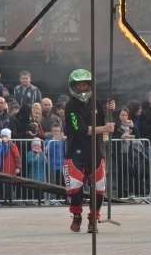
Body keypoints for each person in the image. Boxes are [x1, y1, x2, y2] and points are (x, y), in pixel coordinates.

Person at [63, 69, 115, 234]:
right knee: (75, 186)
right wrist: (104, 128)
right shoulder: (71, 105)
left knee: (99, 187)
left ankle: (94, 218)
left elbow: (106, 123)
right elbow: (80, 129)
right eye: (79, 85)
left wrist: (109, 111)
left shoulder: (97, 102)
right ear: (74, 86)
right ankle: (76, 214)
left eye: (85, 84)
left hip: (96, 151)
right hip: (76, 152)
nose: (83, 87)